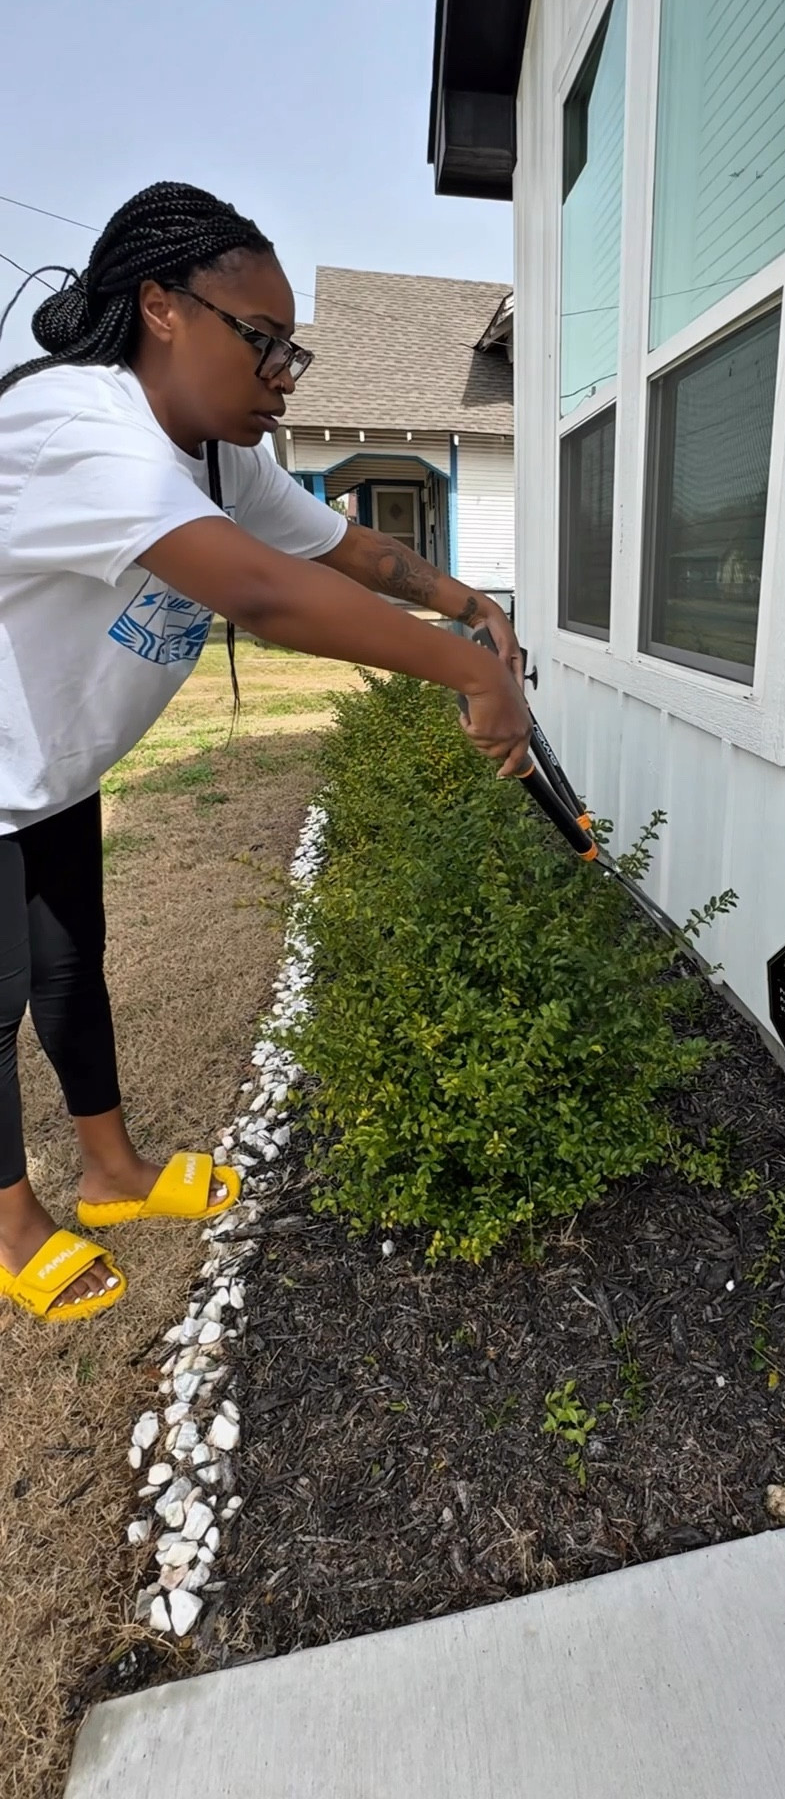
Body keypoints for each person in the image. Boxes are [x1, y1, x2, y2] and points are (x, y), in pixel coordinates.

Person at [0, 180, 532, 1323]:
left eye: (295, 348)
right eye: (263, 341)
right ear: (161, 307)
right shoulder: (77, 424)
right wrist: (473, 671)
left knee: (66, 967)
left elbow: (343, 549)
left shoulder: (219, 456)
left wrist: (463, 598)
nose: (285, 372)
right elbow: (259, 592)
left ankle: (111, 1171)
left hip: (43, 766)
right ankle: (11, 1225)